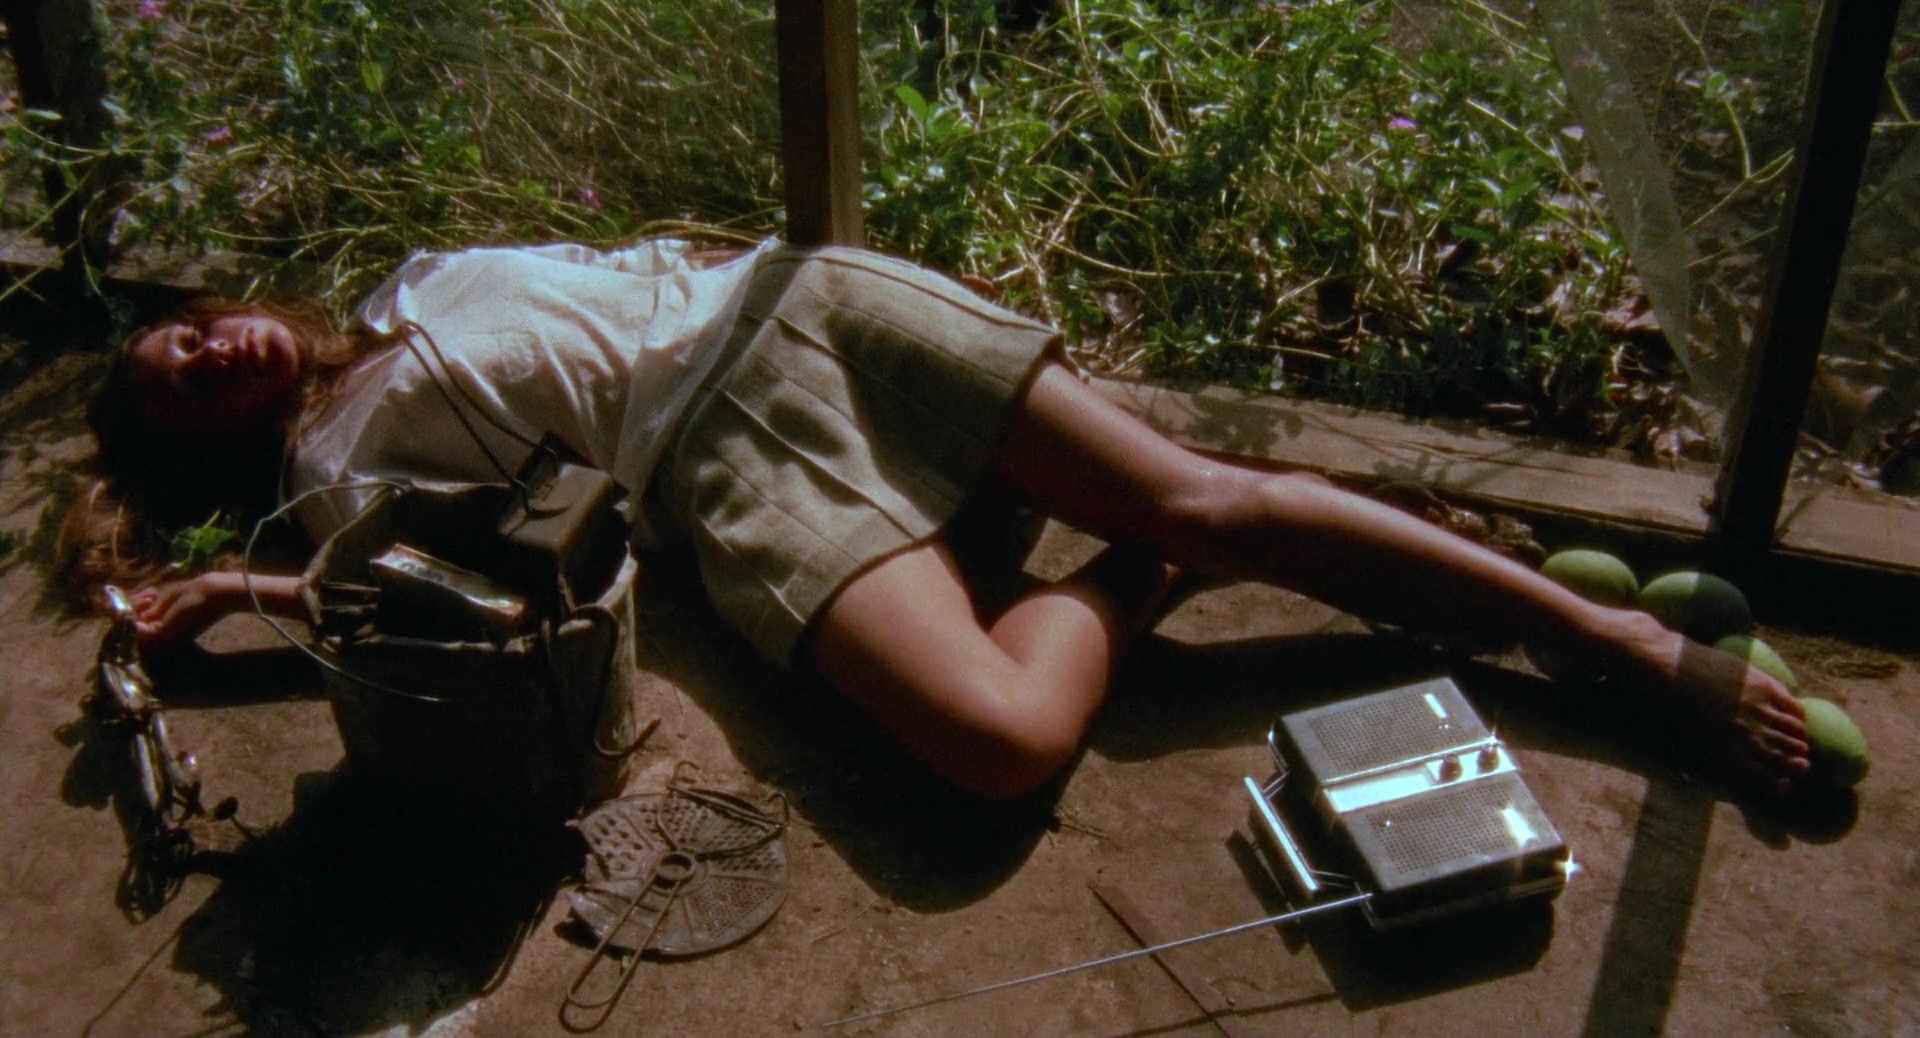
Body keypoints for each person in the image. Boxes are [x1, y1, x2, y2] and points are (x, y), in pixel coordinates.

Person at [65, 236, 1811, 801]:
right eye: (185, 387)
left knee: (1215, 485)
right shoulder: (332, 480)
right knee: (1000, 739)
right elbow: (424, 608)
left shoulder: (414, 275)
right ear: (208, 449)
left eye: (189, 332)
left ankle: (1616, 639)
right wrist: (238, 589)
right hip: (728, 463)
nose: (210, 352)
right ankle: (1145, 570)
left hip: (807, 299)